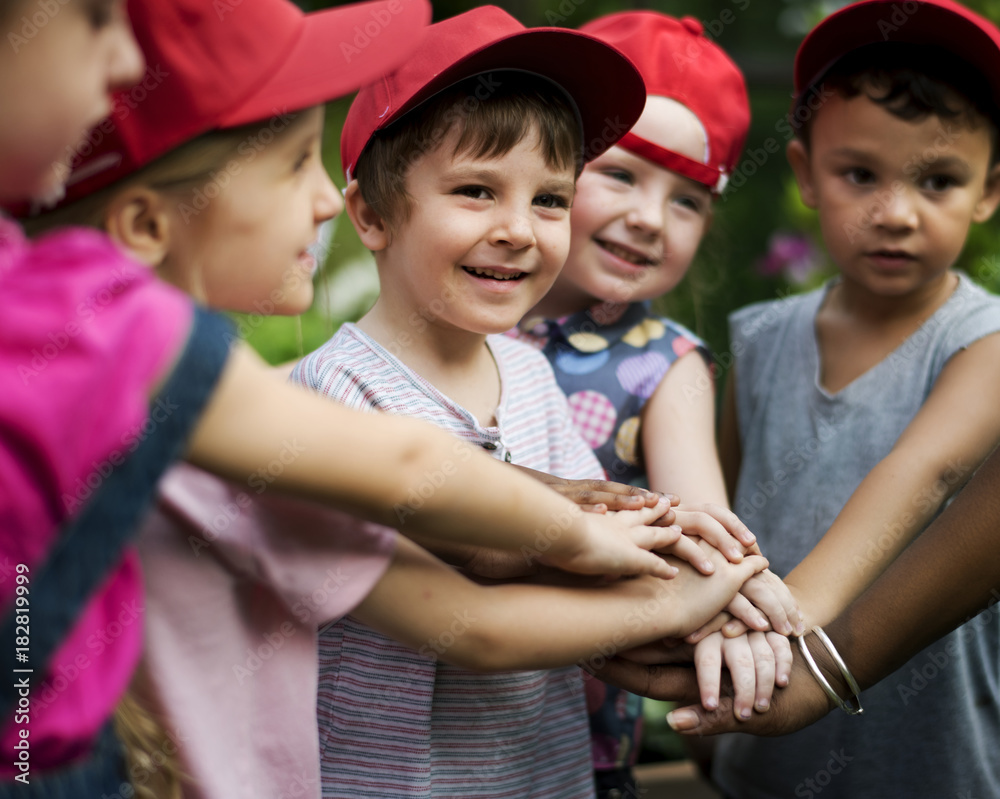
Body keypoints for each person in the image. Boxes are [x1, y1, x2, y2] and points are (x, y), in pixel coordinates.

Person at [0, 0, 706, 793]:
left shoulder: (42, 309)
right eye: (294, 163)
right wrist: (610, 553)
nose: (329, 198)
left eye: (550, 196)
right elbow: (428, 514)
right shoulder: (170, 370)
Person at [290, 8, 787, 797]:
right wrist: (693, 595)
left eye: (551, 199)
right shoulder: (335, 393)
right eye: (477, 190)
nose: (520, 230)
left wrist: (718, 595)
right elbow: (483, 566)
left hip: (544, 773)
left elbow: (600, 542)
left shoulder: (528, 376)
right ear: (372, 213)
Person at [692, 1, 1000, 796]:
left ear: (990, 191)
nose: (895, 213)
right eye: (860, 174)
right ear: (803, 174)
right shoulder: (757, 339)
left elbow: (925, 470)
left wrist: (787, 616)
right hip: (756, 753)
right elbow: (719, 514)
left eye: (938, 180)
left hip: (935, 763)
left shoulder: (985, 341)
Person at [511, 13, 799, 797]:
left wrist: (735, 610)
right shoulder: (463, 314)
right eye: (624, 174)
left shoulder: (665, 365)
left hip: (563, 731)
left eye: (688, 202)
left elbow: (702, 527)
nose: (649, 218)